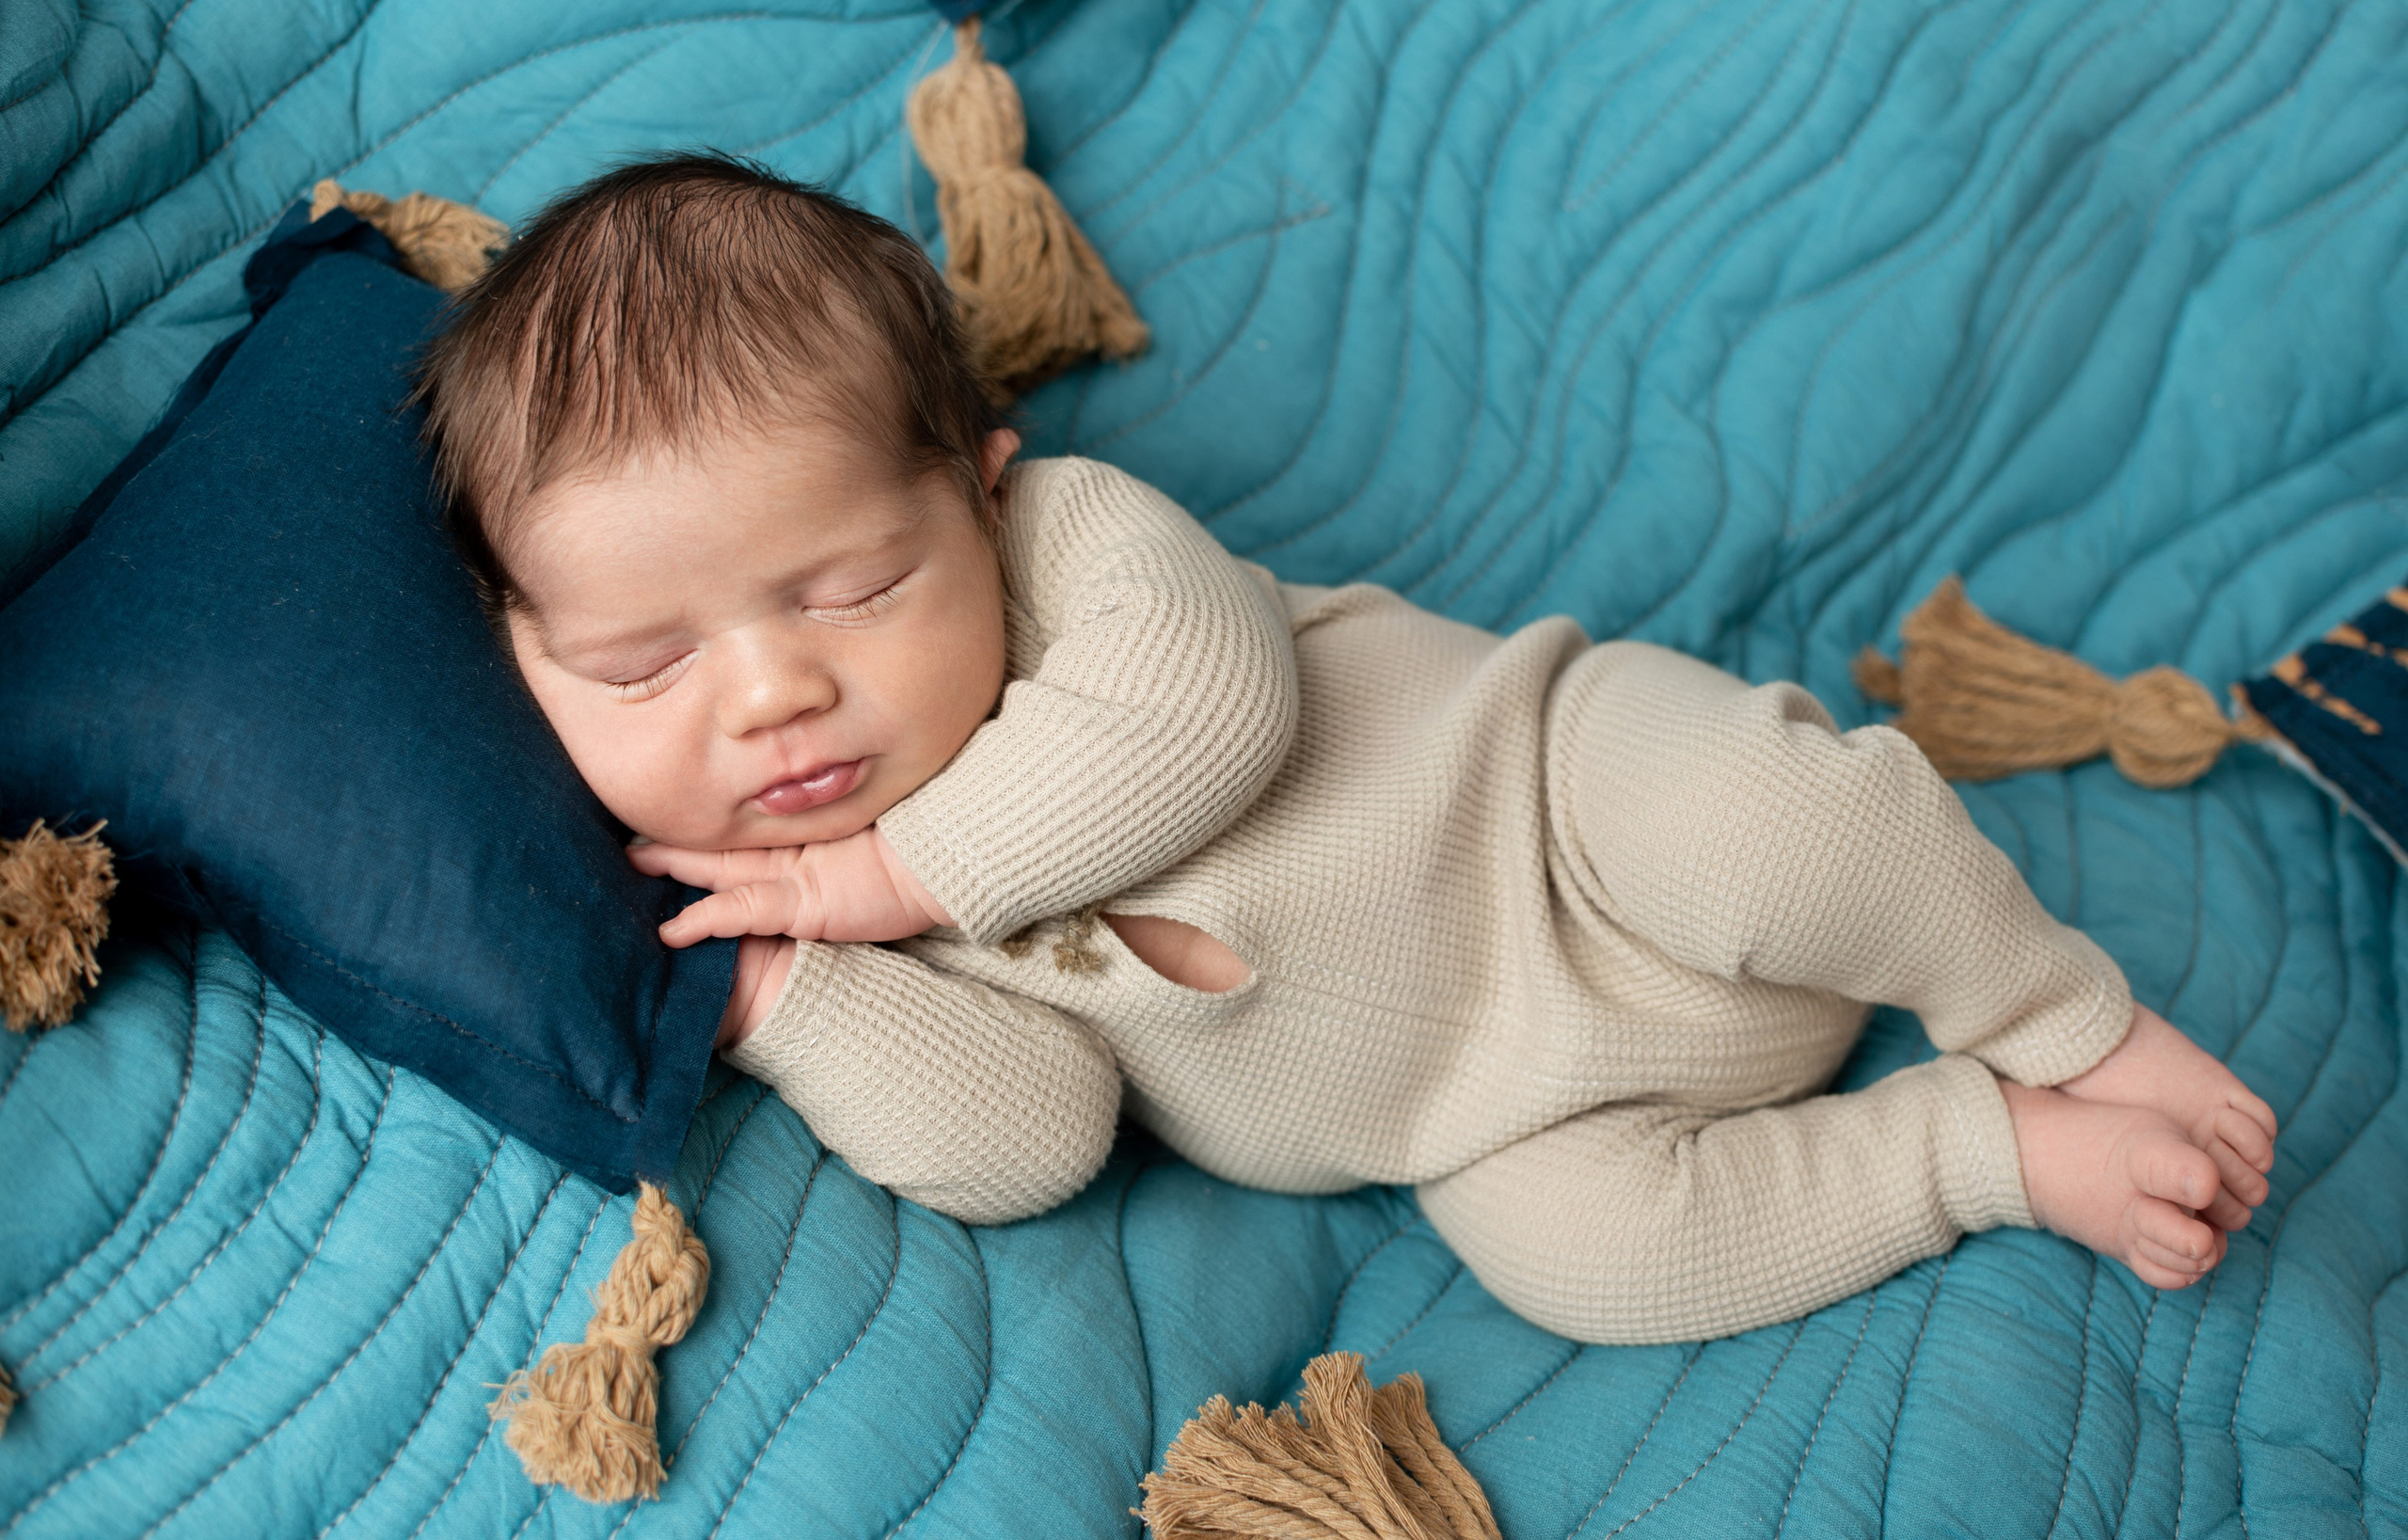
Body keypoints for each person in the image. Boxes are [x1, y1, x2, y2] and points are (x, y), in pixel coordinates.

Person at [412, 153, 2277, 1345]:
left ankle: (2057, 1015)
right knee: (1591, 1273)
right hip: (1490, 1127)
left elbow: (1215, 706)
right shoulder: (806, 924)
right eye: (643, 664)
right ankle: (1977, 1151)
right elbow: (1029, 1139)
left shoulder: (1072, 555)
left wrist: (894, 876)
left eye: (843, 588)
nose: (768, 700)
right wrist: (784, 998)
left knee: (1763, 830)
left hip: (1557, 814)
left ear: (973, 496)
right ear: (524, 667)